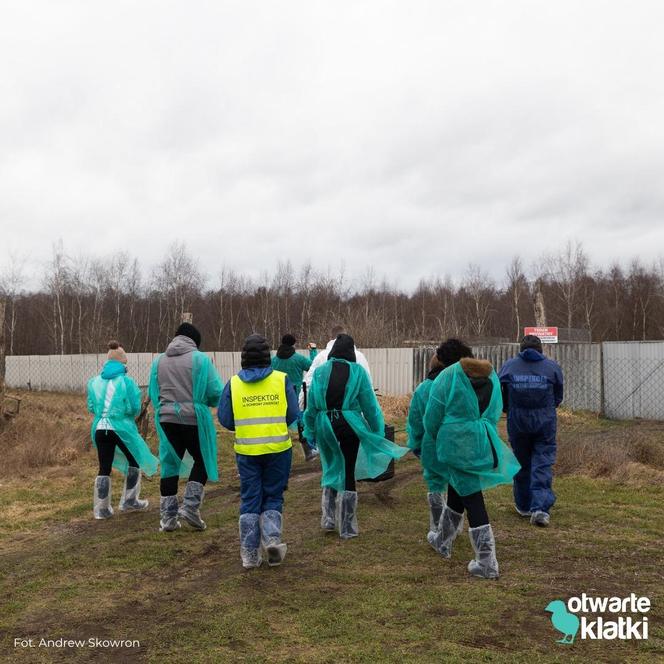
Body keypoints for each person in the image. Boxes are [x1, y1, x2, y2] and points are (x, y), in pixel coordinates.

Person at [423, 339, 520, 579]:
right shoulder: (491, 376)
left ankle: (487, 562)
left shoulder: (447, 377)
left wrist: (440, 437)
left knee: (472, 497)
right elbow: (496, 409)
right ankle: (443, 540)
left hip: (455, 444)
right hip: (481, 441)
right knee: (459, 491)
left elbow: (432, 415)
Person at [303, 334, 408, 539]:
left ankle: (328, 518)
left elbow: (312, 405)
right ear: (351, 352)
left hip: (325, 424)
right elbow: (370, 404)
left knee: (330, 466)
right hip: (349, 425)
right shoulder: (358, 371)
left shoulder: (320, 372)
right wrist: (377, 431)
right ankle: (347, 526)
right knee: (348, 470)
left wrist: (309, 430)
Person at [218, 334, 299, 569]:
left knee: (250, 498)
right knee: (273, 495)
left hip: (247, 451)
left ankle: (249, 555)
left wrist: (245, 423)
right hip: (278, 448)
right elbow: (293, 414)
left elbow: (225, 418)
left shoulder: (233, 383)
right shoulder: (281, 380)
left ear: (243, 358)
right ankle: (272, 540)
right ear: (268, 356)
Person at [149, 323, 223, 533]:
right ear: (194, 341)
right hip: (194, 419)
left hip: (165, 418)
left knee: (169, 464)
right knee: (202, 459)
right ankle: (190, 506)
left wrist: (165, 407)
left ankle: (168, 518)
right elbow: (215, 391)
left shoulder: (159, 361)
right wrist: (203, 402)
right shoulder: (200, 359)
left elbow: (154, 391)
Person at [87, 341, 159, 519]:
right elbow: (134, 408)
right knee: (134, 458)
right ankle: (129, 499)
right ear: (122, 363)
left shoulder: (94, 382)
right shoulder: (126, 382)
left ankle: (101, 509)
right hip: (121, 428)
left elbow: (91, 406)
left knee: (104, 467)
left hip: (99, 428)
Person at [498, 335, 564, 527]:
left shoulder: (509, 366)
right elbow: (558, 396)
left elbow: (500, 392)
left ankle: (523, 504)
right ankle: (540, 509)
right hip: (544, 422)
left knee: (521, 462)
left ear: (521, 348)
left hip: (517, 421)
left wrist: (508, 408)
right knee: (542, 463)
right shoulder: (552, 367)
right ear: (540, 349)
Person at [407, 353, 447, 533]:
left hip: (431, 442)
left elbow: (415, 419)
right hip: (457, 441)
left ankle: (438, 526)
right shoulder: (457, 385)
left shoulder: (423, 389)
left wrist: (415, 443)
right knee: (457, 483)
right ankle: (454, 524)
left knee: (435, 483)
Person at [271, 333, 319, 461]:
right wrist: (313, 351)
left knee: (279, 425)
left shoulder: (274, 360)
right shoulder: (298, 358)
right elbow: (313, 367)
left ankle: (278, 453)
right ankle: (308, 451)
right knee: (302, 424)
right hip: (296, 396)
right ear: (293, 344)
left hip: (278, 397)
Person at [301, 325, 372, 409]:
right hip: (354, 416)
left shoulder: (321, 357)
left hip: (325, 415)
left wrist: (303, 409)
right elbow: (368, 389)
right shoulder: (360, 357)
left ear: (331, 337)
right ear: (347, 336)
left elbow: (307, 385)